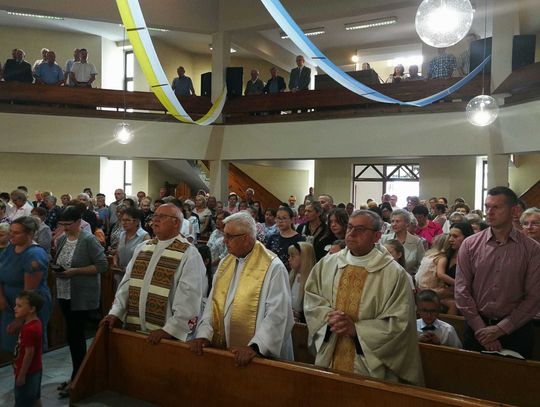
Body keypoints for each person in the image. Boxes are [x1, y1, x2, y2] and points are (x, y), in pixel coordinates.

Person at [303, 210, 423, 385]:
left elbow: (400, 324)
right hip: (331, 352)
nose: (351, 234)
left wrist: (357, 330)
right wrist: (329, 317)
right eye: (349, 227)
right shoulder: (328, 263)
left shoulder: (393, 274)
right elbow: (312, 299)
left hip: (369, 364)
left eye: (360, 229)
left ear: (377, 236)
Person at [189, 211, 294, 366]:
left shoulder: (273, 267)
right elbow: (212, 304)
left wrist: (255, 346)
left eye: (229, 236)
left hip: (258, 357)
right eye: (224, 235)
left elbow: (278, 313)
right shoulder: (225, 263)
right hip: (223, 349)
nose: (224, 240)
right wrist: (204, 334)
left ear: (245, 238)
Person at [102, 203, 206, 344]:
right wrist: (116, 312)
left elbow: (190, 296)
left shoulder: (189, 253)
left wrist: (171, 329)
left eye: (161, 216)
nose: (155, 220)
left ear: (176, 222)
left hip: (166, 337)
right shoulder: (143, 248)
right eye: (154, 216)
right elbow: (127, 283)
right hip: (134, 330)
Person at [456, 187, 540, 359]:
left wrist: (500, 329)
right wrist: (481, 329)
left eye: (496, 207)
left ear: (514, 211)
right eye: (487, 207)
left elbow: (534, 297)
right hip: (477, 326)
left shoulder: (532, 249)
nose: (489, 212)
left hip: (516, 330)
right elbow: (461, 290)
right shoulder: (470, 244)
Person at [53, 205, 107, 395]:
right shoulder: (62, 239)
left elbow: (102, 265)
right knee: (72, 335)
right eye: (62, 224)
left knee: (76, 336)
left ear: (78, 222)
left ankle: (79, 378)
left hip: (81, 295)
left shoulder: (88, 239)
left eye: (68, 224)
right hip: (64, 292)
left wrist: (75, 271)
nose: (65, 228)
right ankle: (76, 375)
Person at [0, 217, 51, 354]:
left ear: (29, 234)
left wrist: (20, 319)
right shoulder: (11, 247)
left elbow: (29, 292)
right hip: (9, 303)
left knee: (27, 347)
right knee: (9, 346)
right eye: (11, 232)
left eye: (16, 233)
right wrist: (1, 297)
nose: (11, 235)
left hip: (29, 305)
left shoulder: (35, 254)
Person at [13, 290, 45, 407]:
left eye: (19, 306)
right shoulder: (34, 322)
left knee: (22, 402)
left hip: (28, 372)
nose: (15, 308)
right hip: (36, 369)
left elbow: (29, 353)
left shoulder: (29, 329)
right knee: (35, 399)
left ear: (32, 309)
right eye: (16, 305)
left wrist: (22, 374)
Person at [112, 207, 150, 288]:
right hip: (120, 276)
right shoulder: (122, 234)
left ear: (137, 221)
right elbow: (117, 253)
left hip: (135, 277)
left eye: (127, 220)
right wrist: (115, 262)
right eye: (123, 220)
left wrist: (128, 269)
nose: (124, 223)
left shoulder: (144, 236)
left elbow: (146, 261)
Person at [380, 209, 425, 276]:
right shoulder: (384, 239)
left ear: (407, 224)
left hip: (410, 278)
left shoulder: (416, 241)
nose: (394, 224)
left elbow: (422, 265)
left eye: (397, 221)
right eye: (392, 221)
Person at [266, 207, 306, 271]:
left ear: (292, 220)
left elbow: (303, 262)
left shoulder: (300, 239)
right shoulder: (273, 237)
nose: (280, 221)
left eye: (284, 218)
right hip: (273, 272)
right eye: (278, 218)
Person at [288, 241, 316, 322]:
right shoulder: (291, 276)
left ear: (304, 258)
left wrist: (300, 316)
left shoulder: (313, 281)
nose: (289, 259)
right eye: (289, 256)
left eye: (292, 256)